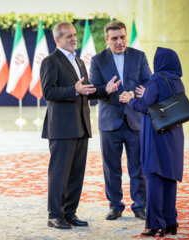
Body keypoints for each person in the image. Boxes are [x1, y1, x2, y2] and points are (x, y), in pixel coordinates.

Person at [40, 21, 121, 229]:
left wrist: (106, 90)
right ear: (58, 39)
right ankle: (54, 215)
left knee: (76, 173)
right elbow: (48, 92)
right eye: (68, 36)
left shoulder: (79, 61)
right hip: (61, 128)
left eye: (75, 34)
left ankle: (69, 213)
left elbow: (88, 91)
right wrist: (73, 90)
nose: (74, 38)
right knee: (59, 174)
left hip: (81, 125)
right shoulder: (51, 61)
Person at [89, 20, 151, 220]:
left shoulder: (139, 56)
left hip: (135, 120)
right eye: (114, 38)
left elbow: (149, 84)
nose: (119, 42)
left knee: (138, 166)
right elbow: (93, 90)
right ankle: (115, 205)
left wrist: (135, 94)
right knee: (111, 167)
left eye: (122, 37)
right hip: (109, 122)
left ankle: (140, 205)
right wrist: (105, 90)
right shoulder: (97, 60)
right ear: (106, 39)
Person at [120, 47, 185, 237]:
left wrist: (130, 99)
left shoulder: (157, 79)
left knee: (154, 176)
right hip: (174, 135)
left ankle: (156, 224)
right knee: (169, 178)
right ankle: (170, 222)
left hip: (157, 135)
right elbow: (162, 101)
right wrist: (145, 94)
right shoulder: (177, 80)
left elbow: (145, 105)